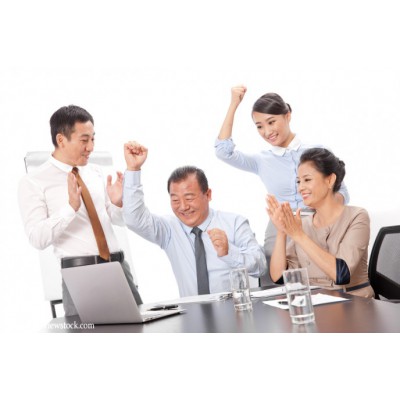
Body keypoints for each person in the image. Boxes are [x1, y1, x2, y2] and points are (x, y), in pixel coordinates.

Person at [215, 86, 350, 283]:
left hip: (318, 226)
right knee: (276, 285)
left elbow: (342, 193)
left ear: (287, 115)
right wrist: (234, 104)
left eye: (271, 122)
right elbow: (222, 152)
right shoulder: (261, 160)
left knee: (323, 283)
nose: (267, 131)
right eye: (259, 126)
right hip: (280, 230)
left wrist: (320, 216)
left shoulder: (317, 151)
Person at [18, 105, 142, 316]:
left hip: (119, 268)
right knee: (86, 334)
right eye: (84, 140)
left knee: (140, 329)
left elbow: (118, 220)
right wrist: (70, 209)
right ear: (61, 140)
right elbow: (37, 238)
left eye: (93, 139)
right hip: (80, 276)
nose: (91, 147)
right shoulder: (34, 181)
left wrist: (118, 203)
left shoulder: (96, 172)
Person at [122, 141, 267, 297]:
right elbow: (134, 219)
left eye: (189, 198)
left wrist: (229, 252)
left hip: (234, 308)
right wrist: (133, 170)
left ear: (208, 195)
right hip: (191, 310)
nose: (183, 207)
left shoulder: (234, 223)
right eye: (175, 200)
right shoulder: (169, 229)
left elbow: (260, 267)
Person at [266, 148, 374, 298]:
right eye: (298, 181)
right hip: (316, 302)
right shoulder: (304, 223)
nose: (300, 188)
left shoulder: (357, 216)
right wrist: (282, 231)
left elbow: (341, 274)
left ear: (330, 180)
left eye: (307, 180)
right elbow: (279, 277)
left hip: (353, 302)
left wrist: (298, 235)